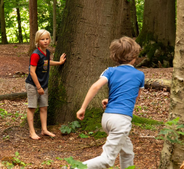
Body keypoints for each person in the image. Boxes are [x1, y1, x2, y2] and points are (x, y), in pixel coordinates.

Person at [76, 36, 145, 169]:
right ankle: (75, 167)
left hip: (107, 119)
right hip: (121, 120)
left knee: (127, 152)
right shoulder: (139, 75)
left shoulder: (110, 71)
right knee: (107, 160)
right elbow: (135, 97)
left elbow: (95, 86)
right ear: (134, 55)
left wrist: (83, 108)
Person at [26, 29, 66, 140]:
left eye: (47, 39)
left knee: (44, 107)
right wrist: (38, 87)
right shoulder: (35, 54)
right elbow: (32, 72)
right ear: (37, 41)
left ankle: (44, 129)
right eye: (42, 39)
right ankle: (32, 132)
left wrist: (59, 62)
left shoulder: (47, 52)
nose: (45, 41)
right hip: (33, 85)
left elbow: (46, 63)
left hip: (44, 84)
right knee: (32, 107)